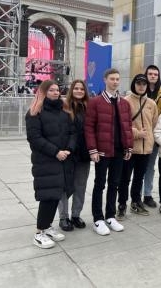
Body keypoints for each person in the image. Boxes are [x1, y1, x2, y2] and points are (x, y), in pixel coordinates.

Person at [26, 80, 76, 248]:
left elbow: (72, 132)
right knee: (48, 196)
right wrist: (56, 152)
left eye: (57, 90)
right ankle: (39, 232)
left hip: (63, 160)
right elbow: (34, 138)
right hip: (46, 161)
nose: (56, 92)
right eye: (52, 90)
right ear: (44, 92)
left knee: (56, 195)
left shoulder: (64, 111)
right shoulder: (35, 112)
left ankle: (47, 227)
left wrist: (68, 149)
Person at [85, 68, 133, 236]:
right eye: (112, 79)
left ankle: (110, 216)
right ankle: (98, 219)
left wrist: (129, 147)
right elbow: (89, 128)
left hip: (119, 151)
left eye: (117, 79)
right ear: (105, 80)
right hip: (103, 151)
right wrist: (93, 149)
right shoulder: (95, 102)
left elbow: (127, 128)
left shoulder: (124, 103)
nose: (115, 81)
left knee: (115, 184)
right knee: (100, 184)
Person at [117, 74, 158, 220]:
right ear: (134, 84)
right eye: (139, 83)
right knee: (125, 178)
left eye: (144, 84)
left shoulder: (152, 103)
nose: (141, 86)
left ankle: (136, 202)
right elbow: (123, 124)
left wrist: (148, 138)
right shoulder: (125, 101)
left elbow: (154, 123)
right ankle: (122, 204)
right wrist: (137, 133)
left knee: (139, 178)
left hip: (145, 148)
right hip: (130, 147)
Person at [58, 80, 90, 231]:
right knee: (64, 187)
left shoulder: (88, 107)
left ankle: (75, 215)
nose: (79, 91)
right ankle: (63, 217)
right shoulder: (64, 106)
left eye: (81, 89)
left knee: (80, 186)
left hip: (83, 153)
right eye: (76, 88)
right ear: (72, 90)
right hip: (68, 152)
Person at [142, 65, 161, 208]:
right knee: (139, 167)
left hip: (156, 136)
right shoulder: (139, 90)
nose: (153, 76)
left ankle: (147, 194)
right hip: (140, 136)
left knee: (150, 167)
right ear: (146, 75)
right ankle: (136, 195)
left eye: (155, 74)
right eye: (150, 74)